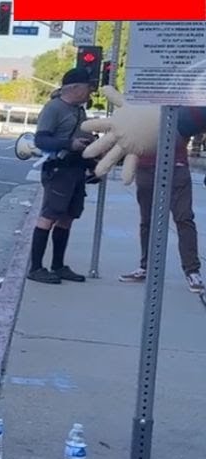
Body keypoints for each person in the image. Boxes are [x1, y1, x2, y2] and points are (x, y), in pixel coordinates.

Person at [80, 86, 204, 292]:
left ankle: (192, 270)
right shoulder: (139, 98)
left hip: (175, 165)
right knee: (148, 220)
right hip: (146, 165)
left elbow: (193, 123)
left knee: (183, 218)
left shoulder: (179, 99)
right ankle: (147, 266)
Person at [27, 67, 97, 284]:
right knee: (49, 216)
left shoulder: (79, 110)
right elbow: (41, 140)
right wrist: (69, 144)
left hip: (76, 169)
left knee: (68, 218)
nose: (90, 92)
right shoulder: (53, 108)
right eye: (88, 87)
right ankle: (36, 267)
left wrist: (92, 163)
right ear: (75, 88)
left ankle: (58, 265)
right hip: (59, 169)